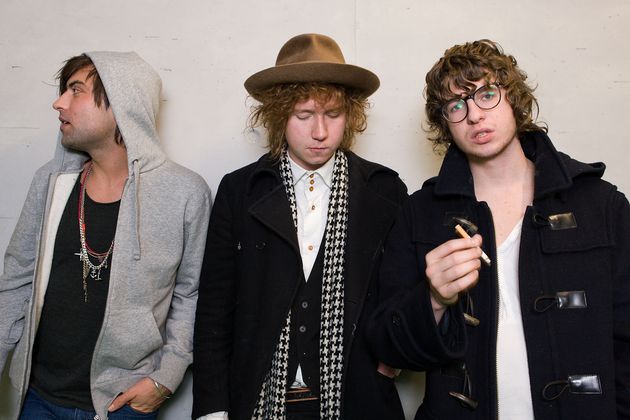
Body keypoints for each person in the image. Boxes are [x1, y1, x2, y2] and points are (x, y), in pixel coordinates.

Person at [367, 39, 630, 419]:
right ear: (445, 122)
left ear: (514, 99)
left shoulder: (601, 205)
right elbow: (388, 350)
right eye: (456, 105)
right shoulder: (418, 214)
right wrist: (434, 299)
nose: (474, 115)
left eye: (486, 94)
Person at [192, 33, 407, 420]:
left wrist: (391, 352)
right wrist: (212, 409)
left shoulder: (385, 191)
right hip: (257, 396)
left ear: (351, 114)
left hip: (356, 401)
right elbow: (214, 309)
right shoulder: (239, 190)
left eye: (333, 114)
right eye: (303, 115)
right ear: (278, 115)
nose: (320, 132)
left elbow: (399, 293)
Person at [0, 52, 212, 420]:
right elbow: (16, 280)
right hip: (38, 398)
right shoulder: (51, 182)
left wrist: (165, 378)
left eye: (75, 91)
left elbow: (190, 294)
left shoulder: (185, 193)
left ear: (120, 104)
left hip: (123, 403)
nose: (59, 102)